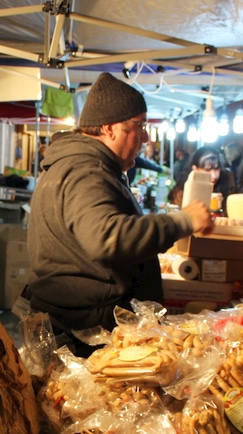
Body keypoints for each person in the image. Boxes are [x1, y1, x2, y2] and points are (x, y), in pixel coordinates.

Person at [25, 72, 213, 356]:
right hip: (85, 336)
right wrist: (183, 221)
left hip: (79, 328)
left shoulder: (79, 165)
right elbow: (107, 237)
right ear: (111, 129)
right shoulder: (85, 170)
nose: (147, 137)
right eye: (141, 125)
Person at [174, 146, 236, 211]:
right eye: (207, 170)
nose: (214, 175)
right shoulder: (182, 190)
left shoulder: (228, 182)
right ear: (195, 169)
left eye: (217, 168)